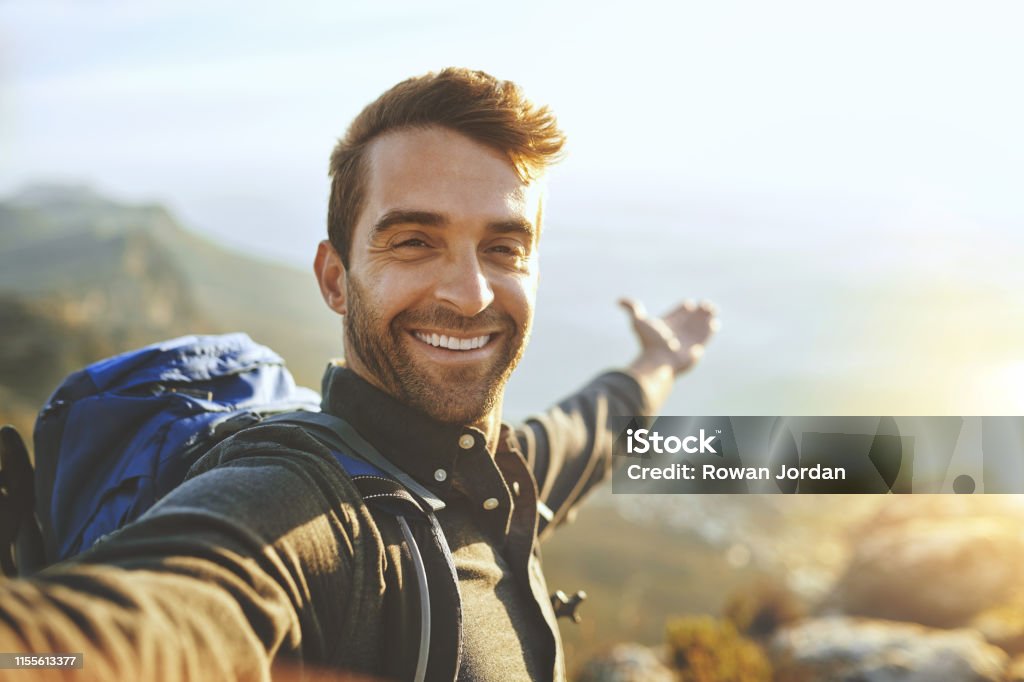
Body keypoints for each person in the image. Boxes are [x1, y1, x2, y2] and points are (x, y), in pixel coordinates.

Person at [0, 68, 717, 681]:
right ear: (336, 279)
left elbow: (588, 429)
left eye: (504, 247)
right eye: (413, 241)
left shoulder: (496, 476)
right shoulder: (305, 506)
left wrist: (658, 363)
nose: (470, 294)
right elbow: (140, 619)